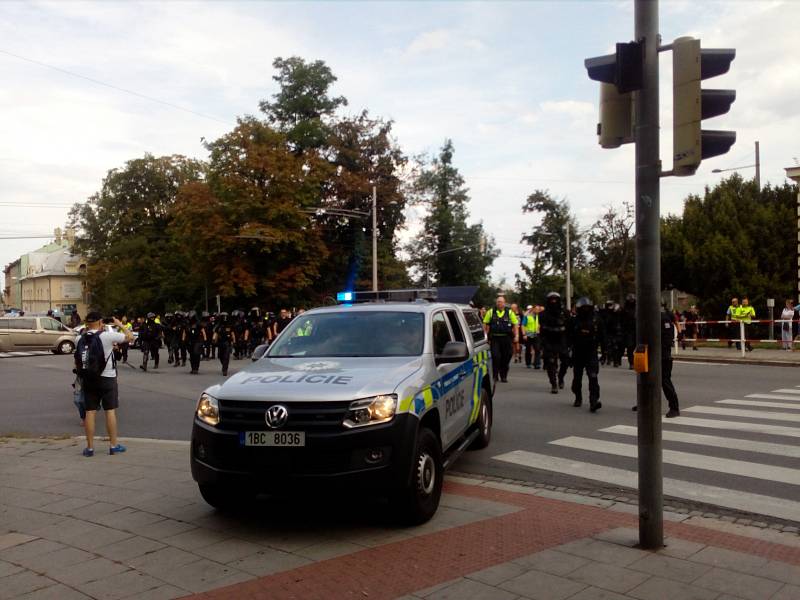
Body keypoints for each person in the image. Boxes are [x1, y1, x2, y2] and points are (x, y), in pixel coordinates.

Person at [74, 312, 133, 456]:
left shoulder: (79, 338)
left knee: (90, 412)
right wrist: (119, 324)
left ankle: (89, 448)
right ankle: (113, 446)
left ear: (87, 323)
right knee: (110, 411)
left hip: (88, 379)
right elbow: (130, 337)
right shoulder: (106, 336)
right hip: (107, 378)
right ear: (101, 322)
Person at [568, 297, 603, 412]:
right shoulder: (573, 321)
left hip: (591, 352)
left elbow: (603, 335)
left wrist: (605, 351)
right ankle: (578, 397)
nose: (585, 310)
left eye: (587, 308)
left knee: (593, 377)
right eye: (583, 308)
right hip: (578, 353)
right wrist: (567, 352)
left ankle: (593, 401)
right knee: (577, 378)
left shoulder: (596, 320)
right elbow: (568, 337)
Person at [482, 295, 519, 383]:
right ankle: (495, 376)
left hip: (506, 338)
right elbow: (485, 324)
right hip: (495, 338)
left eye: (501, 302)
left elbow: (515, 324)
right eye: (498, 302)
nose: (499, 303)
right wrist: (485, 336)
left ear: (504, 303)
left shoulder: (509, 312)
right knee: (496, 356)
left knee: (507, 356)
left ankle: (503, 375)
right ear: (496, 303)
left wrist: (516, 335)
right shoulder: (491, 312)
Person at [539, 291, 570, 394]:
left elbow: (570, 327)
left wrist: (570, 342)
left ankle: (561, 377)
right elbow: (542, 330)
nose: (553, 301)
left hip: (562, 339)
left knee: (565, 361)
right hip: (549, 339)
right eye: (551, 299)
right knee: (550, 362)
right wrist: (542, 343)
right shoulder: (543, 314)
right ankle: (554, 383)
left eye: (555, 299)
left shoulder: (565, 312)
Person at [522, 304, 542, 369]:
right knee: (528, 349)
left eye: (538, 309)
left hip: (536, 334)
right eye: (536, 309)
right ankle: (528, 363)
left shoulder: (539, 316)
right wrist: (524, 334)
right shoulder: (527, 316)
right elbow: (523, 325)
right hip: (528, 334)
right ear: (533, 309)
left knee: (537, 349)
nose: (537, 310)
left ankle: (537, 364)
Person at [620, 294, 636, 369]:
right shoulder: (624, 309)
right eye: (630, 300)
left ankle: (638, 361)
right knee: (630, 347)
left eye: (632, 300)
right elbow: (620, 320)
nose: (631, 301)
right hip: (628, 331)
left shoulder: (638, 308)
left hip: (637, 330)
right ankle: (631, 363)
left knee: (639, 347)